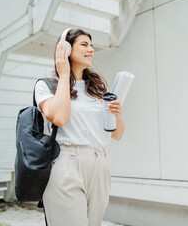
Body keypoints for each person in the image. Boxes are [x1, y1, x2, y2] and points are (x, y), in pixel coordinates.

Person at [34, 28, 125, 226]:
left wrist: (116, 115)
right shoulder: (47, 86)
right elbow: (59, 117)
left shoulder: (98, 88)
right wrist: (64, 75)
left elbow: (117, 134)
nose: (90, 49)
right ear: (65, 49)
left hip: (100, 162)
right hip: (67, 161)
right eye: (84, 44)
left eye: (91, 45)